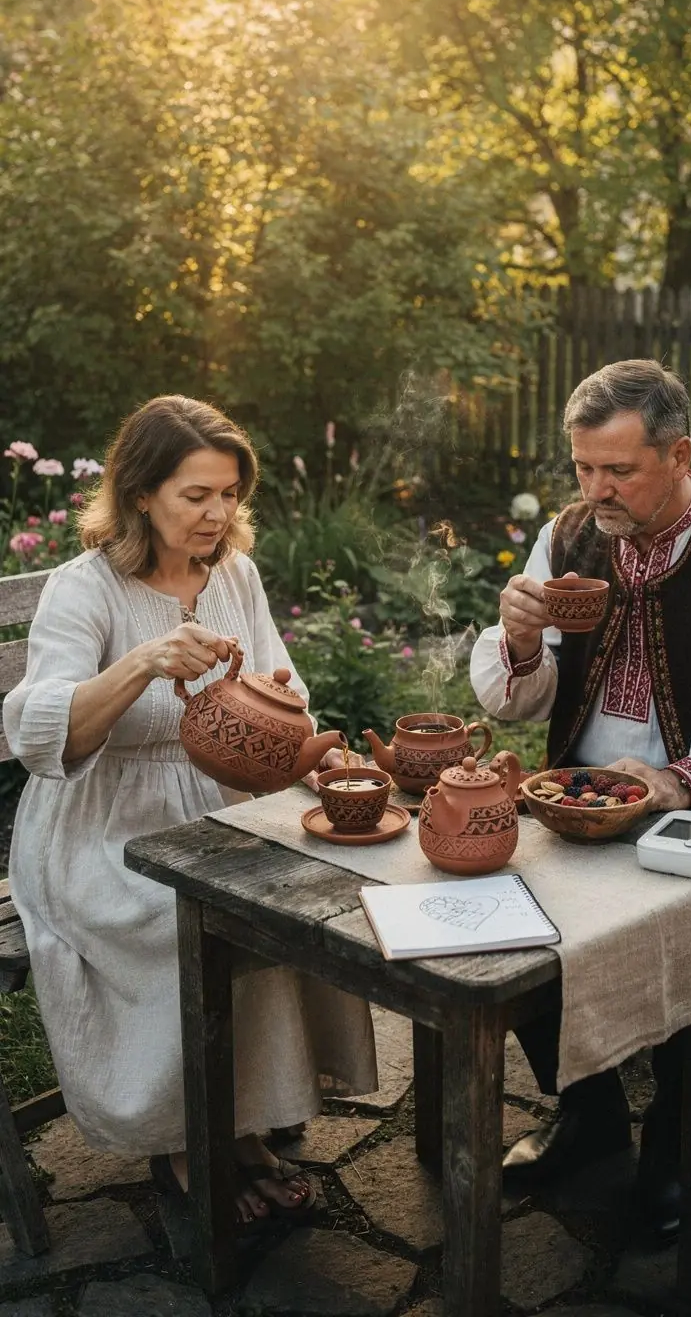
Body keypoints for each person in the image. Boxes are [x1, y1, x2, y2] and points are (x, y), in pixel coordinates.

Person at [3, 395, 377, 1230]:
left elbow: (287, 690)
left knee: (288, 895)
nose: (217, 514)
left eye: (229, 494)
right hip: (104, 821)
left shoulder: (235, 575)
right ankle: (186, 1139)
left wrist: (302, 735)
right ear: (141, 494)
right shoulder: (84, 589)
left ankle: (243, 1118)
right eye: (196, 495)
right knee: (179, 917)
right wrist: (144, 661)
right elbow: (40, 732)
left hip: (223, 803)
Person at [471, 360, 691, 1240]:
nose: (597, 491)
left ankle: (678, 1144)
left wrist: (674, 780)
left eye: (619, 470)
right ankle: (587, 1114)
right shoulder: (569, 535)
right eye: (584, 468)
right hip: (577, 801)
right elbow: (520, 701)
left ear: (679, 455)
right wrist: (519, 640)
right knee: (505, 916)